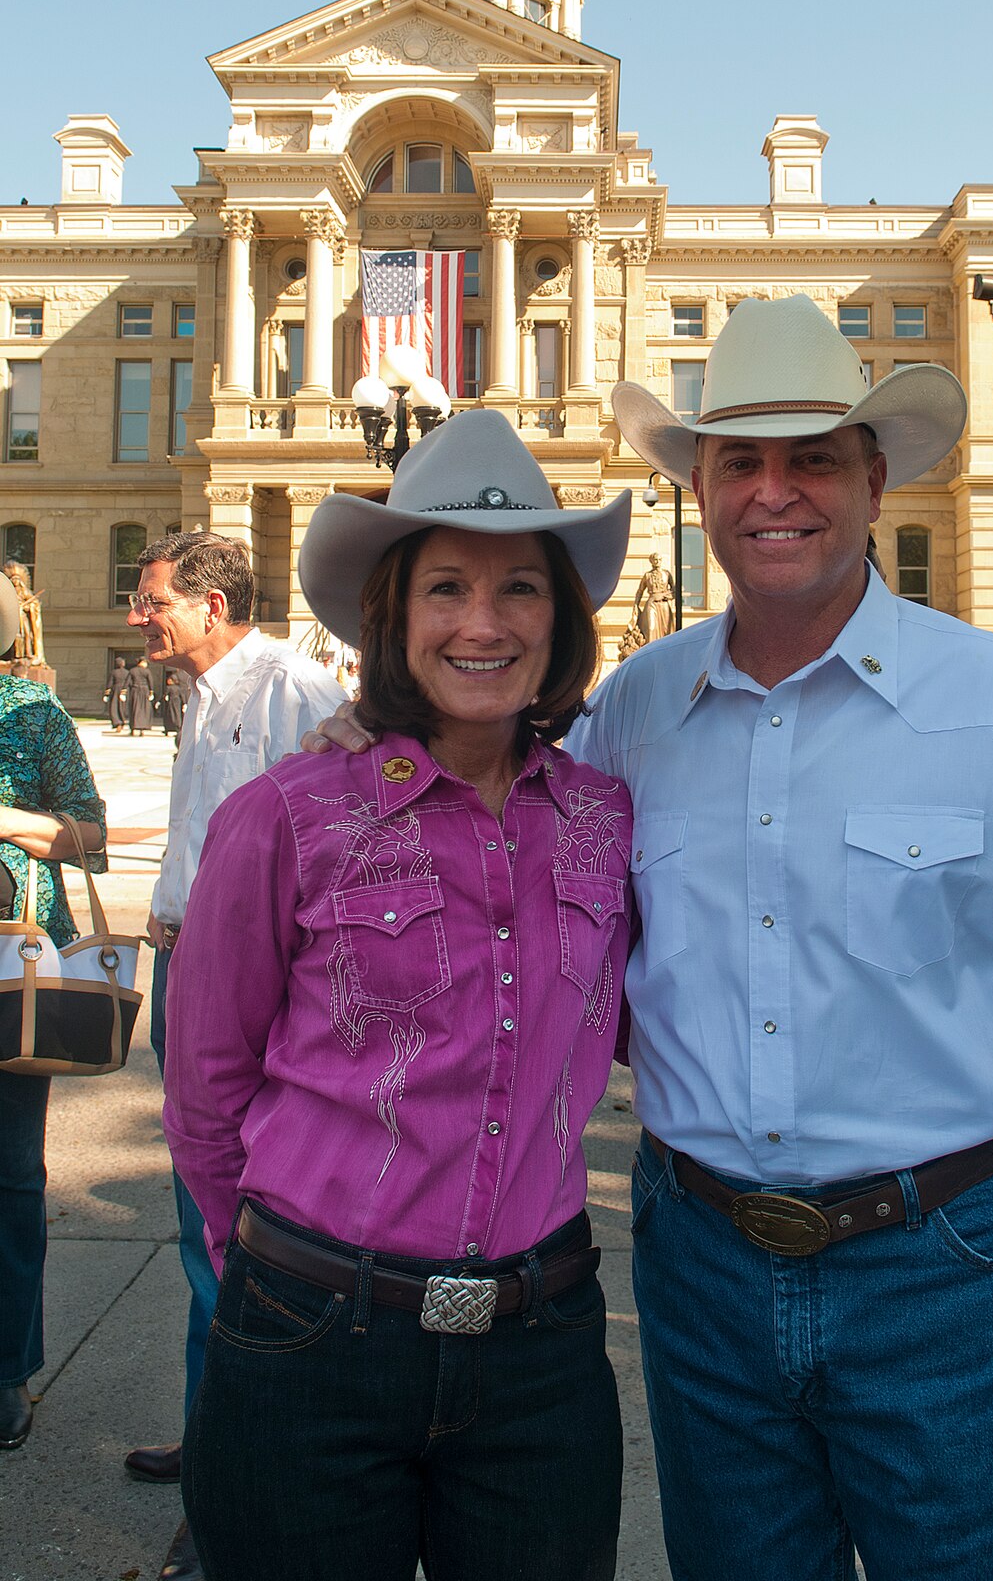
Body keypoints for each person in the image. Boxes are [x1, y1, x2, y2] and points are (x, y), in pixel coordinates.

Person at [308, 296, 993, 1581]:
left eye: (812, 456)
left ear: (873, 476)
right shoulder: (635, 709)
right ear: (699, 482)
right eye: (741, 458)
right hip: (705, 1272)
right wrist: (378, 741)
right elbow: (489, 811)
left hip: (951, 1268)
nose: (774, 491)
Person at [163, 412, 633, 1581]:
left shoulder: (606, 818)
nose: (483, 622)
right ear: (392, 615)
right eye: (446, 588)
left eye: (521, 587)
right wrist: (261, 1280)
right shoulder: (284, 815)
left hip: (543, 1346)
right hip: (313, 1333)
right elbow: (205, 1085)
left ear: (561, 620)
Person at [120, 533, 343, 1581]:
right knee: (196, 1225)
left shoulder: (295, 687)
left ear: (213, 604)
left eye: (152, 598)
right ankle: (213, 1435)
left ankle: (230, 1496)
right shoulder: (203, 692)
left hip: (249, 1000)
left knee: (238, 1236)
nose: (138, 615)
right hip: (186, 978)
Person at [0, 570, 107, 1449]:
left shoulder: (32, 716)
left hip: (12, 971)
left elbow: (92, 835)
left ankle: (5, 1370)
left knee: (6, 1176)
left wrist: (6, 817)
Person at [633, 551, 676, 644]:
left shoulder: (667, 574)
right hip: (651, 603)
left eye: (659, 559)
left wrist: (666, 596)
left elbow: (674, 589)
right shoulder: (647, 575)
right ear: (651, 561)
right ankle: (650, 653)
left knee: (667, 630)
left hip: (664, 603)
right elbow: (640, 591)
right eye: (655, 560)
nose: (657, 561)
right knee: (651, 628)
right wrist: (636, 605)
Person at [125, 655, 154, 735]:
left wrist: (123, 691)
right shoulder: (147, 671)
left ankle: (133, 728)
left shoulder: (132, 670)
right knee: (144, 709)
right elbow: (150, 682)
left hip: (135, 691)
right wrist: (151, 692)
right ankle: (142, 728)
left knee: (134, 708)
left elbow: (127, 682)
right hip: (145, 691)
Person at [162, 668, 191, 740]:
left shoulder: (176, 675)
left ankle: (174, 728)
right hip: (186, 695)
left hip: (175, 696)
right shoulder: (188, 675)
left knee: (173, 713)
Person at [104, 655, 129, 731]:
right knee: (123, 707)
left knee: (114, 707)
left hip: (115, 690)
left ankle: (117, 722)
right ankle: (123, 720)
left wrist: (107, 693)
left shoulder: (113, 672)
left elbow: (110, 683)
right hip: (124, 691)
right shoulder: (127, 672)